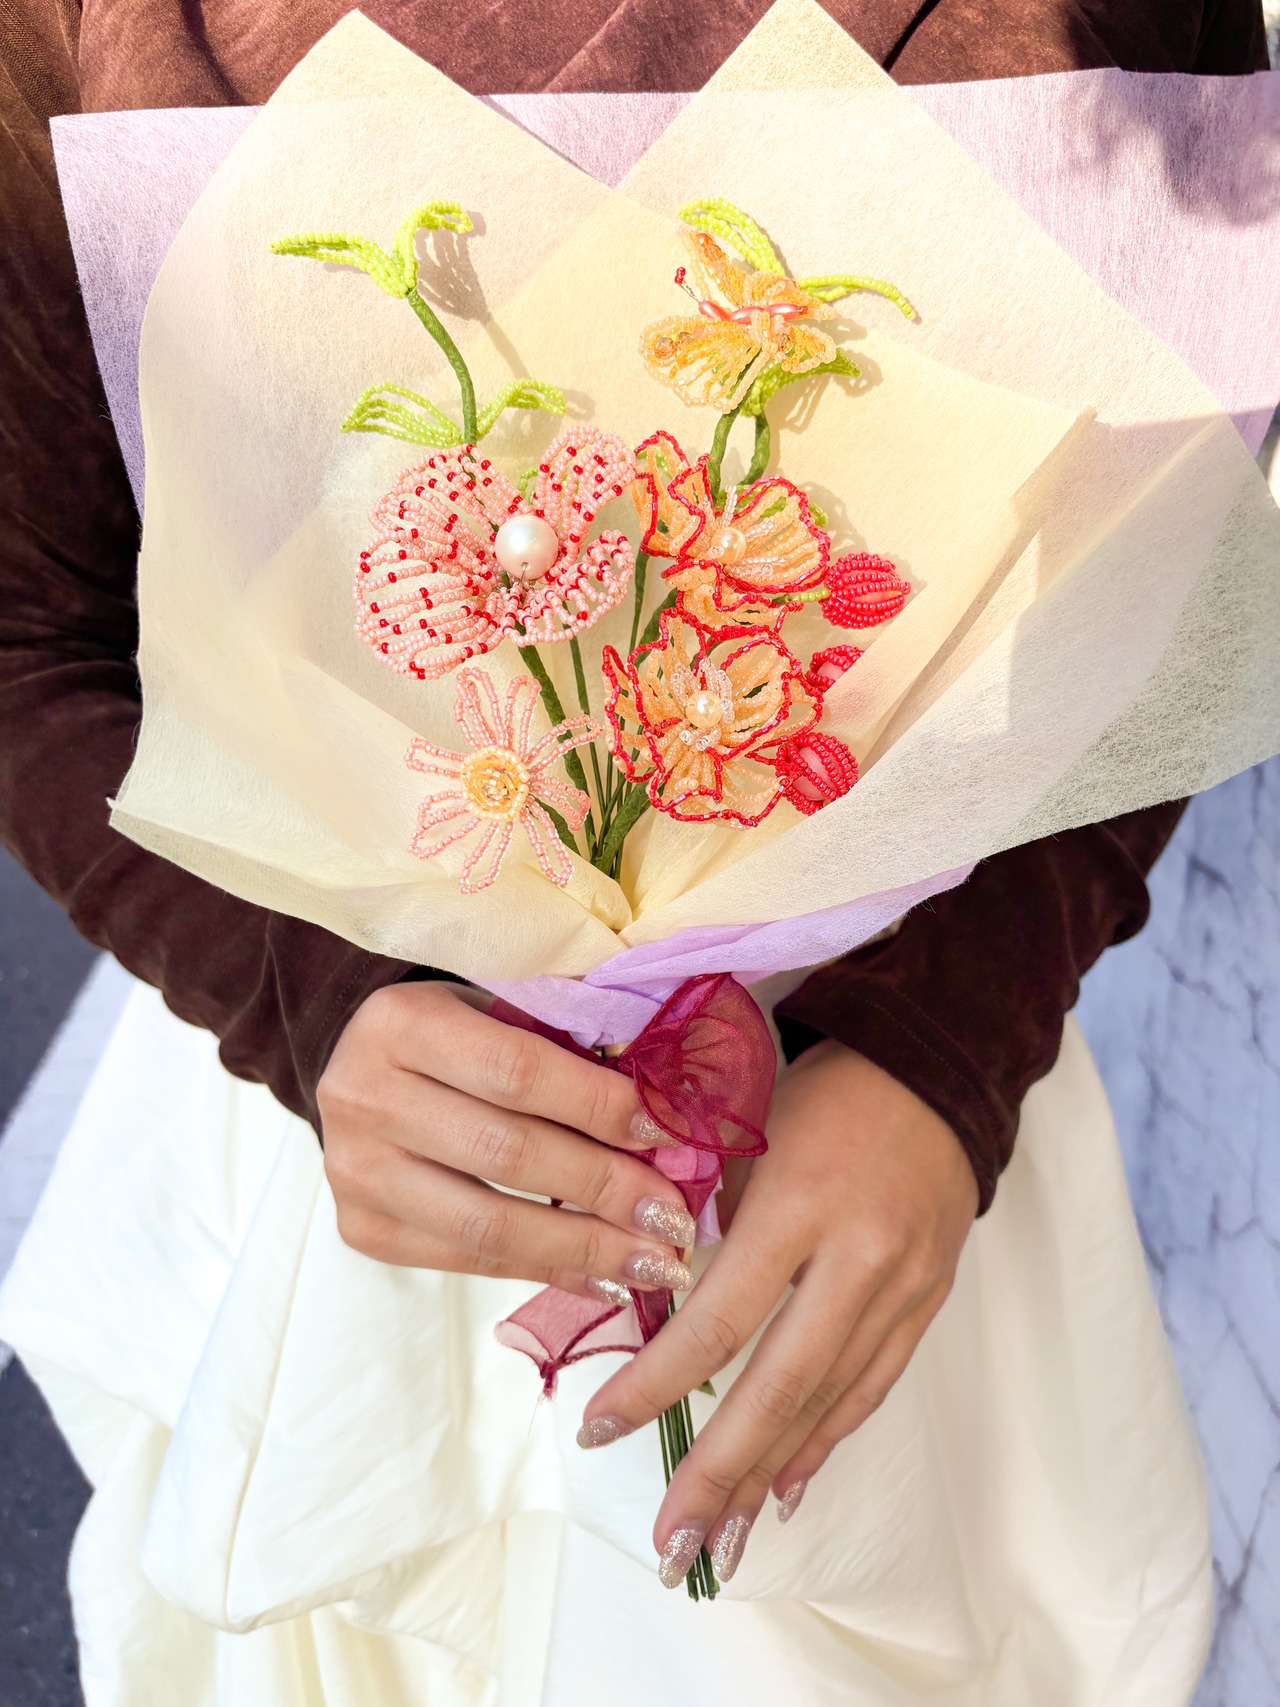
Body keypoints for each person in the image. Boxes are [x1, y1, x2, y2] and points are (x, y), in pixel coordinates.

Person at [0, 2, 1268, 1702]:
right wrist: (302, 997)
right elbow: (34, 630)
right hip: (363, 1153)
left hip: (858, 1177)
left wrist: (944, 1048)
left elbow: (1162, 564)